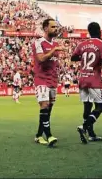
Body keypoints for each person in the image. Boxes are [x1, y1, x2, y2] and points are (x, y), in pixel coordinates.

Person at [71, 22, 102, 143]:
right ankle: (84, 126)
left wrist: (83, 56)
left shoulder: (82, 44)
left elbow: (73, 57)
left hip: (82, 78)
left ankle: (91, 134)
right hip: (94, 79)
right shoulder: (100, 44)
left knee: (87, 106)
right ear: (99, 31)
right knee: (100, 106)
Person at [32, 18, 65, 146]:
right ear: (45, 28)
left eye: (56, 27)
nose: (55, 29)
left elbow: (54, 63)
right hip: (41, 79)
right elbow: (40, 59)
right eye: (53, 27)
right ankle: (49, 136)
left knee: (48, 110)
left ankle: (39, 135)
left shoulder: (55, 44)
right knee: (44, 105)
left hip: (52, 80)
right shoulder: (38, 42)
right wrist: (53, 51)